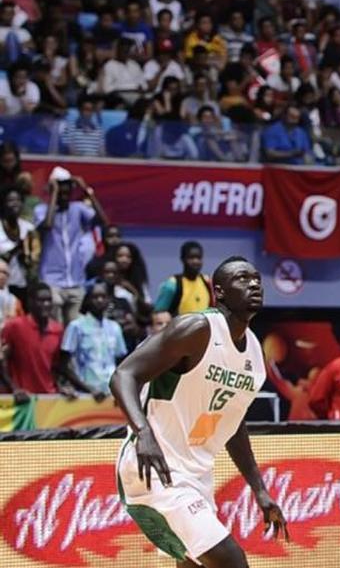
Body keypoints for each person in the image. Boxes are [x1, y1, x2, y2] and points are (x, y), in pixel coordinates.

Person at [111, 257, 289, 568]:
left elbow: (233, 424)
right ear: (218, 292)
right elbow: (123, 376)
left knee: (194, 564)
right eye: (242, 279)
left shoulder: (255, 356)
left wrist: (260, 491)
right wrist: (143, 433)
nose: (254, 284)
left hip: (195, 475)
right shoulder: (196, 329)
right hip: (156, 469)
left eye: (257, 278)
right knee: (231, 561)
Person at [0, 283, 96, 404]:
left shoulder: (58, 330)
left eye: (48, 300)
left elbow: (59, 367)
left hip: (49, 399)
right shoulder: (14, 326)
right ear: (30, 302)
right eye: (41, 300)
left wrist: (87, 389)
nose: (46, 305)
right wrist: (14, 389)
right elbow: (2, 362)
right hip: (22, 400)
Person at [36, 167, 109, 324]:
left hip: (76, 282)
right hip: (52, 281)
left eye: (66, 192)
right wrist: (54, 193)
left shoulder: (78, 209)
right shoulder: (42, 210)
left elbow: (103, 221)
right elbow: (47, 226)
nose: (64, 197)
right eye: (60, 192)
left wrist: (87, 191)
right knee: (55, 328)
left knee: (74, 330)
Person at [62, 281, 127, 395]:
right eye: (95, 297)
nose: (100, 300)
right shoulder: (76, 327)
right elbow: (64, 365)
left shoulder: (115, 327)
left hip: (111, 394)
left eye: (103, 297)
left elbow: (121, 363)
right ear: (87, 300)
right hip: (85, 394)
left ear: (108, 300)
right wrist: (89, 389)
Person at [153, 241, 213, 316]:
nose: (195, 261)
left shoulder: (207, 282)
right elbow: (158, 314)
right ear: (182, 259)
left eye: (199, 258)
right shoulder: (172, 284)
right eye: (191, 258)